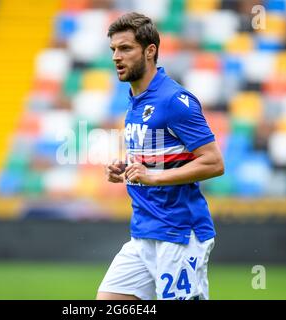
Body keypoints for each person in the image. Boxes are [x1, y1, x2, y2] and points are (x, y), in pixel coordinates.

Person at [97, 12, 225, 300]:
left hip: (179, 234)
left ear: (150, 50)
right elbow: (160, 157)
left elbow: (214, 162)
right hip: (143, 232)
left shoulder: (174, 100)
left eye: (126, 48)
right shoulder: (135, 100)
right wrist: (126, 168)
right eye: (113, 50)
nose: (117, 56)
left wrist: (154, 177)